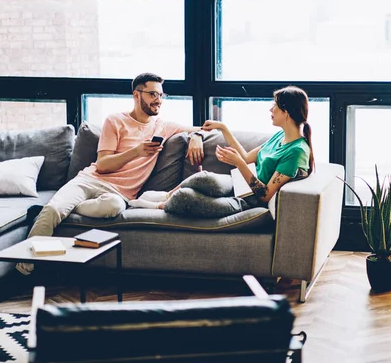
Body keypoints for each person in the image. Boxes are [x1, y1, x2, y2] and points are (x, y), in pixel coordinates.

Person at [18, 72, 206, 275]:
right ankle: (23, 269)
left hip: (119, 194)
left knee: (113, 207)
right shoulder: (115, 121)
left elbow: (203, 128)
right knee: (53, 210)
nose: (158, 100)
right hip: (89, 181)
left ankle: (70, 207)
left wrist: (196, 136)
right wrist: (136, 152)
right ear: (137, 95)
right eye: (152, 94)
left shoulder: (163, 126)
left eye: (161, 95)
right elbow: (103, 165)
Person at [129, 86, 314, 218]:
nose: (270, 109)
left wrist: (239, 164)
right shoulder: (279, 136)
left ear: (287, 112)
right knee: (203, 178)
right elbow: (248, 157)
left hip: (249, 201)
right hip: (240, 184)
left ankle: (159, 205)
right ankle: (167, 195)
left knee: (186, 198)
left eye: (275, 105)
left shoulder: (296, 152)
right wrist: (223, 128)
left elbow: (265, 195)